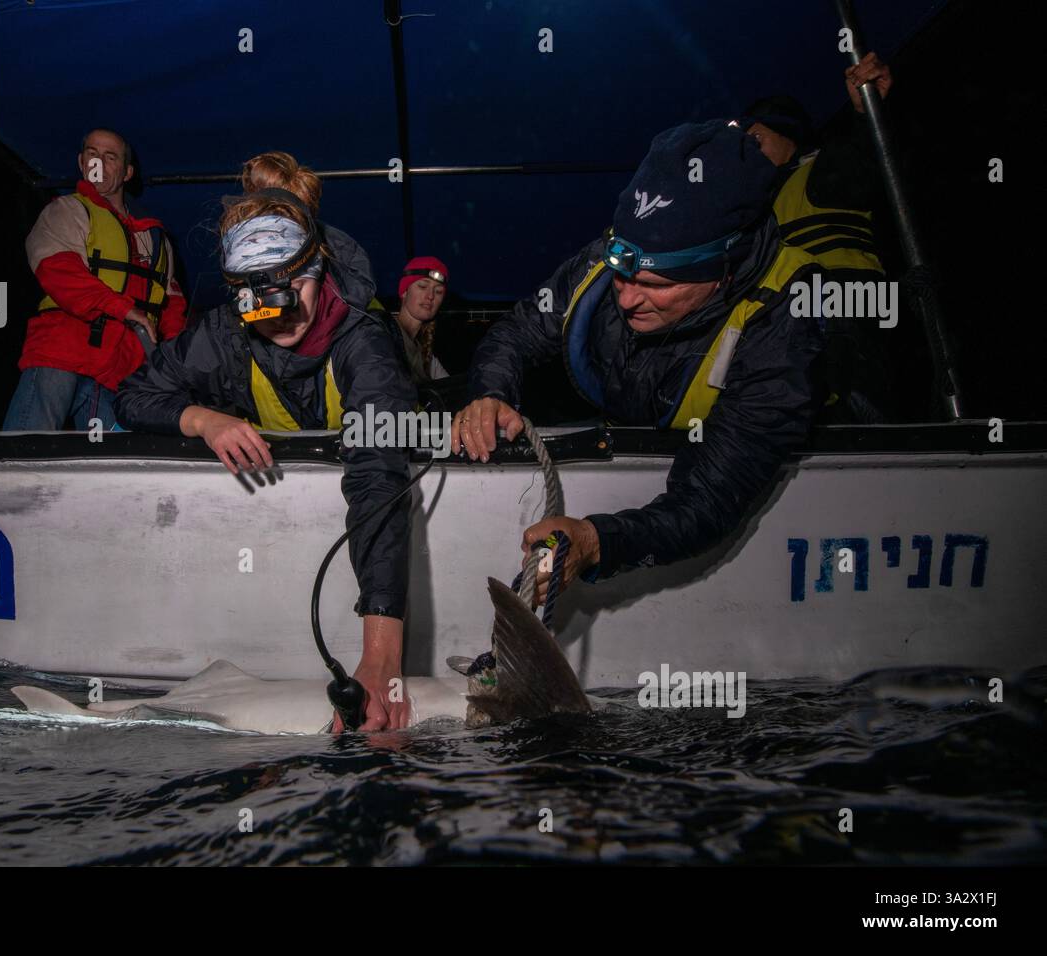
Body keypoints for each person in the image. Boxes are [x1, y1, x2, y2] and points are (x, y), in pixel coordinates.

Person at [451, 119, 824, 605]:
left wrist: (597, 542)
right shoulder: (616, 255)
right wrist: (490, 391)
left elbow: (710, 498)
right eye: (621, 275)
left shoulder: (790, 314)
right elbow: (519, 330)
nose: (625, 299)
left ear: (722, 271)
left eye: (655, 284)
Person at [114, 154, 418, 733]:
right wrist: (201, 418)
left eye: (293, 288)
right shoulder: (225, 332)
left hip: (373, 487)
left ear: (320, 264)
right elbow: (132, 394)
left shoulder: (365, 339)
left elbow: (379, 472)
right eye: (259, 302)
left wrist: (382, 658)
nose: (281, 317)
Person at [744, 51, 895, 422]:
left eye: (757, 138)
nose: (748, 150)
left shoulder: (821, 170)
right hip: (797, 318)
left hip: (847, 306)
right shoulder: (764, 202)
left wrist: (866, 109)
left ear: (788, 136)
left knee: (853, 412)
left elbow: (864, 155)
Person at [3, 128, 188, 431]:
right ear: (80, 161)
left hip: (124, 372)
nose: (98, 162)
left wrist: (173, 368)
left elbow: (173, 309)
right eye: (92, 153)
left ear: (127, 172)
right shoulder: (65, 211)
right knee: (25, 453)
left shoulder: (157, 239)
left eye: (110, 156)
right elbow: (60, 274)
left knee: (112, 466)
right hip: (61, 354)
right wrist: (124, 309)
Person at [382, 256, 451, 385]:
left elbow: (451, 390)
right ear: (404, 292)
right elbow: (368, 400)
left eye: (438, 291)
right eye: (423, 286)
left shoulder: (427, 357)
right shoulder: (380, 335)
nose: (430, 296)